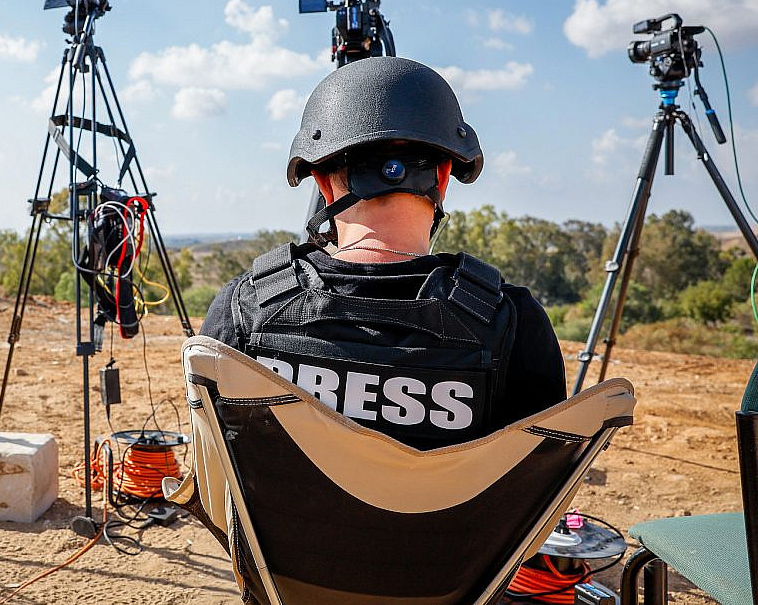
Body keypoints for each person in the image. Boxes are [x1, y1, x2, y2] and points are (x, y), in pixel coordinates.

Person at [199, 57, 565, 449]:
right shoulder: (512, 323)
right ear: (442, 177)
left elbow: (215, 472)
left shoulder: (247, 308)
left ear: (321, 182)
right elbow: (536, 486)